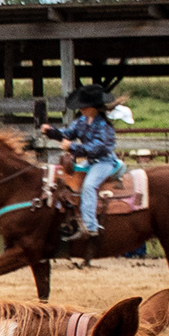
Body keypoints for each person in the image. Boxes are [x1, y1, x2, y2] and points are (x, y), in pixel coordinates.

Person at [40, 85, 123, 239]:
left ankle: (90, 226)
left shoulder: (104, 126)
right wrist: (52, 131)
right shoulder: (82, 121)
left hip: (104, 162)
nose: (82, 109)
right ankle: (70, 220)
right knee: (67, 182)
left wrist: (73, 147)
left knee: (89, 186)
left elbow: (100, 147)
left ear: (93, 107)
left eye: (84, 106)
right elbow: (68, 133)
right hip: (91, 161)